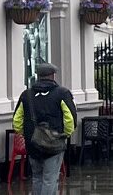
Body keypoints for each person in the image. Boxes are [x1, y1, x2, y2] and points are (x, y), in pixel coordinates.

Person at [12, 63, 77, 195]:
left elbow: (17, 120)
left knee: (37, 178)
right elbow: (70, 118)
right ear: (52, 75)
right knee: (50, 179)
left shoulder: (26, 95)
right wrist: (66, 134)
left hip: (33, 143)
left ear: (38, 76)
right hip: (54, 142)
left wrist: (26, 134)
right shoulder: (62, 93)